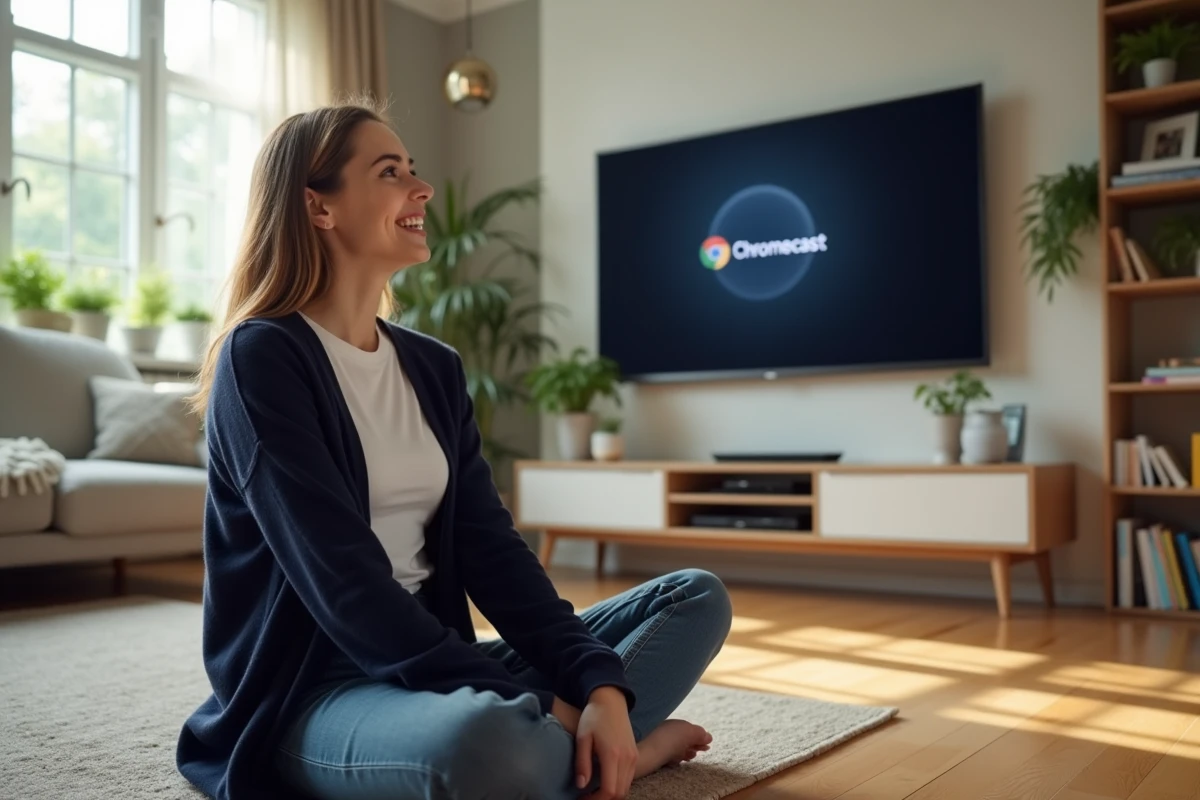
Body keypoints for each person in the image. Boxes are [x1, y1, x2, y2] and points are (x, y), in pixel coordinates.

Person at [175, 100, 733, 800]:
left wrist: (599, 687)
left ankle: (587, 747)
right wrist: (555, 708)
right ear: (320, 208)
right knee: (485, 745)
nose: (422, 188)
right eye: (389, 172)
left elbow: (492, 550)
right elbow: (343, 585)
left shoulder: (430, 366)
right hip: (315, 689)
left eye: (413, 168)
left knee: (695, 598)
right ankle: (624, 760)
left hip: (436, 661)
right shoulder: (262, 359)